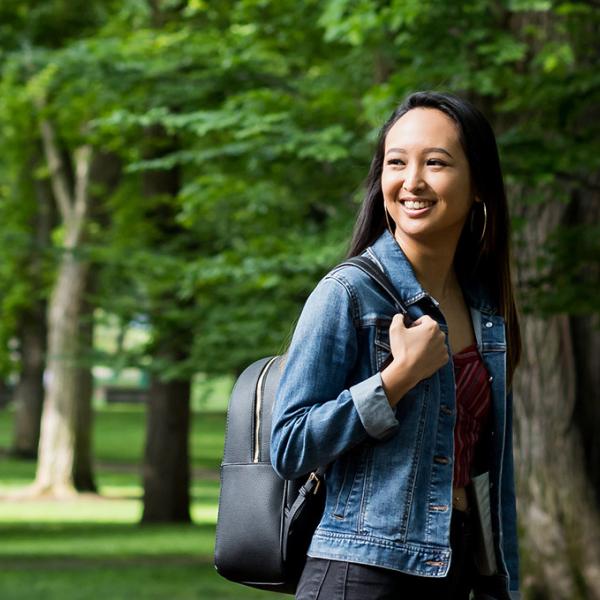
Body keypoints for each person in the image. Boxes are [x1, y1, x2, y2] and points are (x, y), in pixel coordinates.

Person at [270, 91, 521, 600]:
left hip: (458, 566)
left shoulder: (486, 310)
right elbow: (289, 444)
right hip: (361, 573)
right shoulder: (348, 292)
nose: (412, 182)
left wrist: (502, 577)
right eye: (396, 162)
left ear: (478, 186)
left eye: (436, 162)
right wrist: (396, 378)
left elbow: (488, 468)